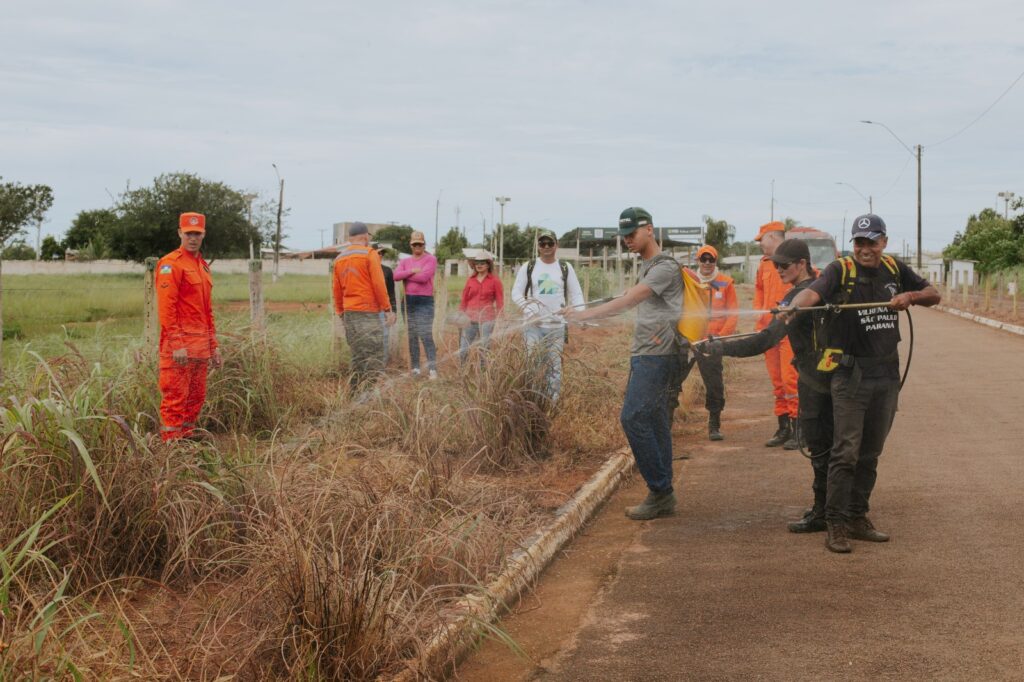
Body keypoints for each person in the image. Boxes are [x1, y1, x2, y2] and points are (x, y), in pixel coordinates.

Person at [783, 214, 940, 553]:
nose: (865, 248)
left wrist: (911, 296)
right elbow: (812, 293)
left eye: (872, 242)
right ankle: (835, 523)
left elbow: (933, 294)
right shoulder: (840, 270)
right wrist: (792, 308)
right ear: (853, 243)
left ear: (884, 242)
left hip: (886, 376)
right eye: (859, 242)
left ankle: (857, 517)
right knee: (845, 453)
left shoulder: (894, 269)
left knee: (870, 453)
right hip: (850, 377)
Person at [563, 207, 684, 521]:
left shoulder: (664, 266)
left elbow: (631, 299)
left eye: (632, 234)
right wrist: (580, 313)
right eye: (624, 236)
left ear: (649, 229)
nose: (627, 240)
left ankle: (660, 490)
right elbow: (629, 297)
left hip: (657, 354)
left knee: (633, 418)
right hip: (646, 352)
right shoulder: (648, 265)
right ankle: (664, 492)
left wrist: (584, 315)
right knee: (655, 420)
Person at [704, 239, 832, 533]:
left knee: (821, 449)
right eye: (775, 266)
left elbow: (764, 340)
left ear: (802, 264)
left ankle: (824, 512)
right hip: (832, 375)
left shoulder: (797, 299)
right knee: (834, 446)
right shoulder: (823, 288)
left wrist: (721, 347)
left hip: (815, 382)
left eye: (783, 265)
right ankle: (836, 507)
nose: (778, 271)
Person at [156, 212, 222, 442]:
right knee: (175, 399)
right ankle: (170, 450)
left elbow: (207, 312)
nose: (193, 238)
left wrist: (213, 346)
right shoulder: (170, 264)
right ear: (179, 233)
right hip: (179, 348)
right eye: (188, 233)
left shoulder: (202, 267)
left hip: (200, 347)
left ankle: (186, 441)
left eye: (197, 234)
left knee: (195, 399)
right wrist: (177, 344)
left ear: (204, 235)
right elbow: (167, 308)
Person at [511, 228, 584, 403]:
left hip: (556, 327)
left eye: (550, 243)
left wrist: (579, 313)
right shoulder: (529, 267)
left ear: (556, 245)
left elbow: (576, 294)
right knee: (533, 365)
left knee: (554, 367)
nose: (546, 246)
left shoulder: (565, 268)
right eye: (542, 243)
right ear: (538, 246)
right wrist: (529, 311)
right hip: (533, 327)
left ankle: (552, 402)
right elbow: (516, 293)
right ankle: (533, 402)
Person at [753, 221, 800, 448]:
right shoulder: (763, 265)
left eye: (761, 239)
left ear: (772, 237)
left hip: (790, 332)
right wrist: (760, 321)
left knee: (791, 380)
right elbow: (759, 293)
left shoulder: (795, 262)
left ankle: (799, 429)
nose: (760, 244)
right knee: (777, 382)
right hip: (770, 333)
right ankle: (783, 427)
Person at [333, 222, 395, 390]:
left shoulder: (339, 259)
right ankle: (368, 394)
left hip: (349, 313)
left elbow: (336, 289)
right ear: (366, 236)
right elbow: (378, 284)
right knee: (375, 354)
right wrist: (387, 309)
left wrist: (341, 312)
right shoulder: (369, 254)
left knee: (357, 355)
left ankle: (354, 392)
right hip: (367, 312)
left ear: (350, 238)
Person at [693, 245, 738, 440]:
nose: (707, 263)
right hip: (691, 339)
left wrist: (721, 337)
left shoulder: (725, 283)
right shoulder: (691, 282)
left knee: (714, 384)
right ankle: (667, 422)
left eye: (710, 259)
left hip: (713, 342)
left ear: (715, 261)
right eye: (703, 259)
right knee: (673, 380)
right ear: (698, 261)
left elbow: (733, 314)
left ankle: (714, 424)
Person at [393, 230, 439, 379]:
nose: (417, 246)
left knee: (425, 334)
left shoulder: (431, 259)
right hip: (408, 300)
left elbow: (424, 277)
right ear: (411, 245)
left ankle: (432, 369)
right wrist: (412, 271)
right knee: (412, 335)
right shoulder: (405, 261)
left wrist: (406, 274)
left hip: (424, 301)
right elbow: (396, 276)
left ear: (424, 244)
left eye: (420, 244)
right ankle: (415, 368)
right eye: (415, 244)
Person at [459, 251, 504, 367]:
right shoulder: (470, 280)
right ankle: (463, 370)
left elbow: (500, 301)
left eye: (482, 263)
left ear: (488, 265)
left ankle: (483, 372)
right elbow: (464, 299)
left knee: (484, 347)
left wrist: (501, 317)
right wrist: (460, 315)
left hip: (487, 318)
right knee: (463, 348)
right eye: (477, 263)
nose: (479, 265)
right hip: (469, 318)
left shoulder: (495, 281)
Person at [372, 242, 398, 366]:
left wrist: (394, 311)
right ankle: (371, 364)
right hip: (368, 310)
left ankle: (382, 366)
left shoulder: (387, 271)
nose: (381, 255)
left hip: (383, 310)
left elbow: (391, 293)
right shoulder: (365, 270)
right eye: (378, 253)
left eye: (382, 253)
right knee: (370, 337)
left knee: (384, 336)